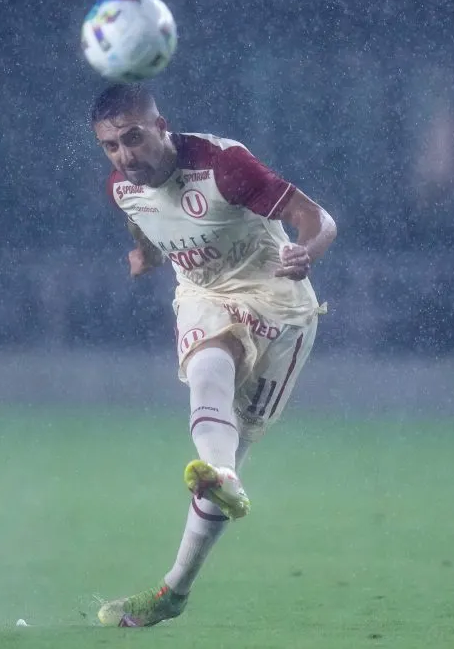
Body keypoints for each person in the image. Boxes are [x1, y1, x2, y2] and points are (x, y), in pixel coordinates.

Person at [91, 83, 337, 627]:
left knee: (237, 437)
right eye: (111, 146)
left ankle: (174, 590)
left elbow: (318, 218)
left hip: (276, 297)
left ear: (161, 126)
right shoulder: (121, 186)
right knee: (208, 364)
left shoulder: (224, 166)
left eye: (134, 138)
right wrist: (145, 253)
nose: (125, 156)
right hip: (204, 295)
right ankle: (220, 475)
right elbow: (147, 218)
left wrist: (308, 251)